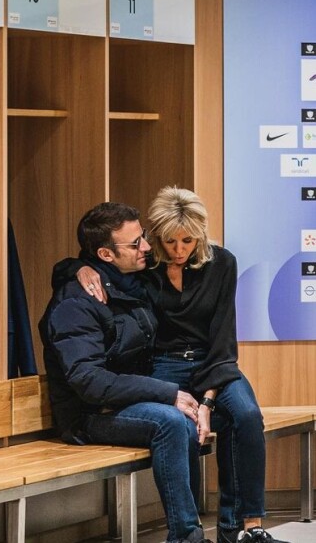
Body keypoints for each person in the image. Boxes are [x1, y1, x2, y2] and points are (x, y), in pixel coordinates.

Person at [73, 187, 288, 543]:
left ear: (200, 235)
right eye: (170, 241)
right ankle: (188, 532)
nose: (178, 250)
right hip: (163, 365)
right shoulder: (145, 265)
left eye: (188, 240)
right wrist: (76, 268)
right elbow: (95, 260)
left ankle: (245, 530)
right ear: (156, 236)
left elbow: (223, 340)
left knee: (246, 415)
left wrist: (207, 402)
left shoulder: (222, 263)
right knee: (181, 428)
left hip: (213, 362)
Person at [39, 202, 212, 543]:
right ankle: (186, 537)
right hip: (91, 414)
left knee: (221, 411)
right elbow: (89, 382)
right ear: (105, 254)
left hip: (126, 400)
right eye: (135, 244)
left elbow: (69, 265)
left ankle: (238, 525)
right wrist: (165, 393)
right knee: (172, 422)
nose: (146, 247)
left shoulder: (130, 282)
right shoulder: (76, 302)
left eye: (143, 237)